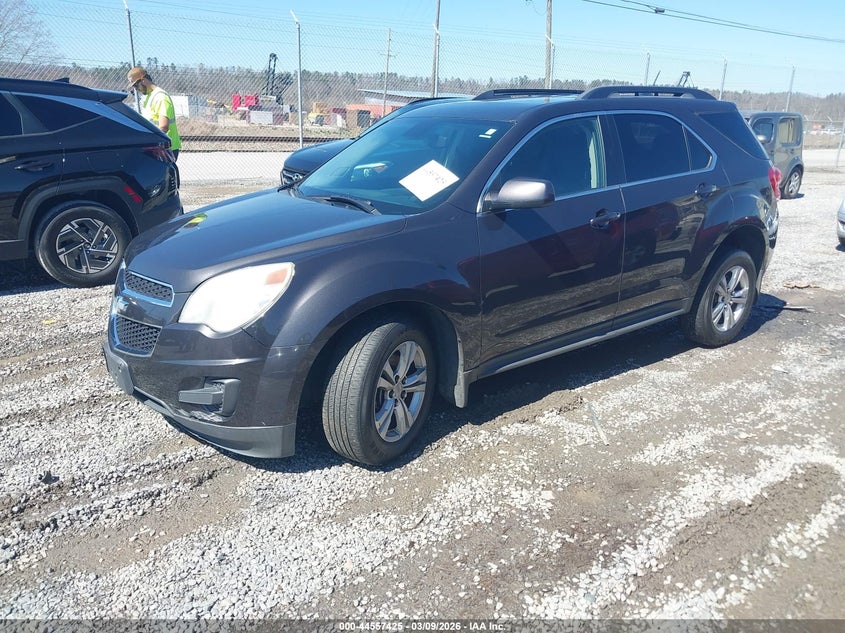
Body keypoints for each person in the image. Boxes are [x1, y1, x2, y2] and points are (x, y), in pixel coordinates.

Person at [127, 66, 182, 160]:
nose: (136, 89)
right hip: (157, 147)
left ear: (143, 80)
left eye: (136, 85)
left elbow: (163, 127)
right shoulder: (149, 96)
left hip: (165, 148)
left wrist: (150, 142)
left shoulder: (160, 97)